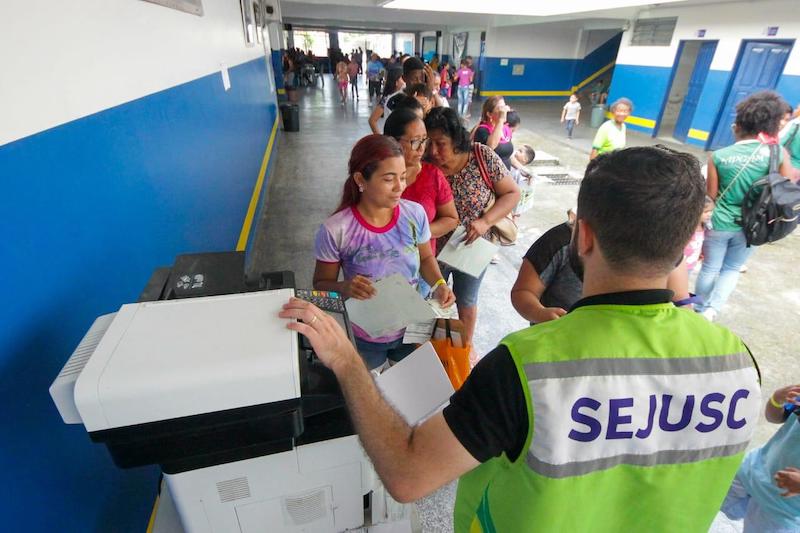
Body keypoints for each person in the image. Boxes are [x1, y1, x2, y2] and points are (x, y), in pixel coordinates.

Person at [279, 145, 761, 533]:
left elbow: (408, 475)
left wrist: (345, 361)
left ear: (584, 236)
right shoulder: (738, 363)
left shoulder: (528, 366)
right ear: (685, 244)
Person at [312, 135, 454, 371]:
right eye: (389, 179)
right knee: (374, 395)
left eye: (403, 177)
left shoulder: (414, 215)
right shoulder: (337, 229)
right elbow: (320, 284)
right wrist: (344, 288)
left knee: (408, 392)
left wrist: (439, 283)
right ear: (360, 179)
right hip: (365, 333)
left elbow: (426, 258)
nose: (400, 187)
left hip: (411, 326)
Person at [695, 91, 794, 321]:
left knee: (710, 267)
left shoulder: (719, 155)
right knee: (731, 268)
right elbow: (785, 189)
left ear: (739, 125)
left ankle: (698, 309)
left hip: (719, 222)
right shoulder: (778, 153)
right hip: (754, 226)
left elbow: (710, 195)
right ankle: (712, 311)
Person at [424, 107, 520, 345]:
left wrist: (485, 221)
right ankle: (430, 351)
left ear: (457, 139)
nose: (433, 150)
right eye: (428, 142)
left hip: (473, 248)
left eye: (440, 143)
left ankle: (464, 349)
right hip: (432, 250)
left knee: (467, 300)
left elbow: (511, 193)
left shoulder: (481, 156)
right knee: (430, 300)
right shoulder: (425, 165)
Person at [720, 383, 800, 532]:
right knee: (707, 505)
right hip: (752, 470)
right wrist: (776, 400)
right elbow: (774, 417)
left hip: (782, 509)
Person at [384, 109, 459, 256]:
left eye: (424, 140)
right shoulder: (375, 174)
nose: (422, 148)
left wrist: (420, 235)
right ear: (392, 141)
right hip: (381, 263)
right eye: (415, 141)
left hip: (421, 264)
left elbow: (451, 219)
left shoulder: (432, 175)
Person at [369, 56, 435, 134]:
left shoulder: (426, 95)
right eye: (414, 79)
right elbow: (399, 128)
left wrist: (430, 90)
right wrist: (413, 104)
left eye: (422, 79)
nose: (419, 82)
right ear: (404, 78)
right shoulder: (394, 100)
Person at [473, 96, 514, 170]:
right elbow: (491, 146)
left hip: (506, 174)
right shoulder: (482, 130)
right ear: (489, 114)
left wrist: (522, 169)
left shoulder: (506, 128)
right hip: (490, 175)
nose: (503, 111)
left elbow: (507, 155)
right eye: (500, 108)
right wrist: (501, 120)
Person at [684, 196, 714, 273]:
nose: (710, 214)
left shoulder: (704, 226)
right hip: (681, 265)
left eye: (711, 211)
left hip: (691, 264)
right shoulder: (687, 228)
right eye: (706, 212)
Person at [779, 102, 800, 181]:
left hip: (789, 167)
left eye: (797, 108)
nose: (795, 110)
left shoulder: (794, 125)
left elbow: (779, 143)